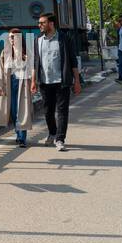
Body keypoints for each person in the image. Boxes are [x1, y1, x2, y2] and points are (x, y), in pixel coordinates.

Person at [32, 12, 80, 152]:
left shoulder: (64, 38)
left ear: (51, 23)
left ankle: (60, 139)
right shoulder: (38, 39)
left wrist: (76, 81)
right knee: (48, 111)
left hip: (61, 81)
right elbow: (36, 61)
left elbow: (73, 60)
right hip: (45, 82)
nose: (39, 25)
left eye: (42, 23)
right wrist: (33, 81)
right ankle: (52, 132)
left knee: (62, 111)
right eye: (39, 23)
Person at [0, 27, 32, 146]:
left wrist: (33, 83)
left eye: (13, 37)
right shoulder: (5, 52)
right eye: (9, 37)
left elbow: (32, 69)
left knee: (22, 111)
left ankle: (22, 138)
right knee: (13, 111)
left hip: (23, 83)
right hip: (9, 83)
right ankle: (18, 133)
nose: (10, 39)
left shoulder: (26, 52)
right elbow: (0, 71)